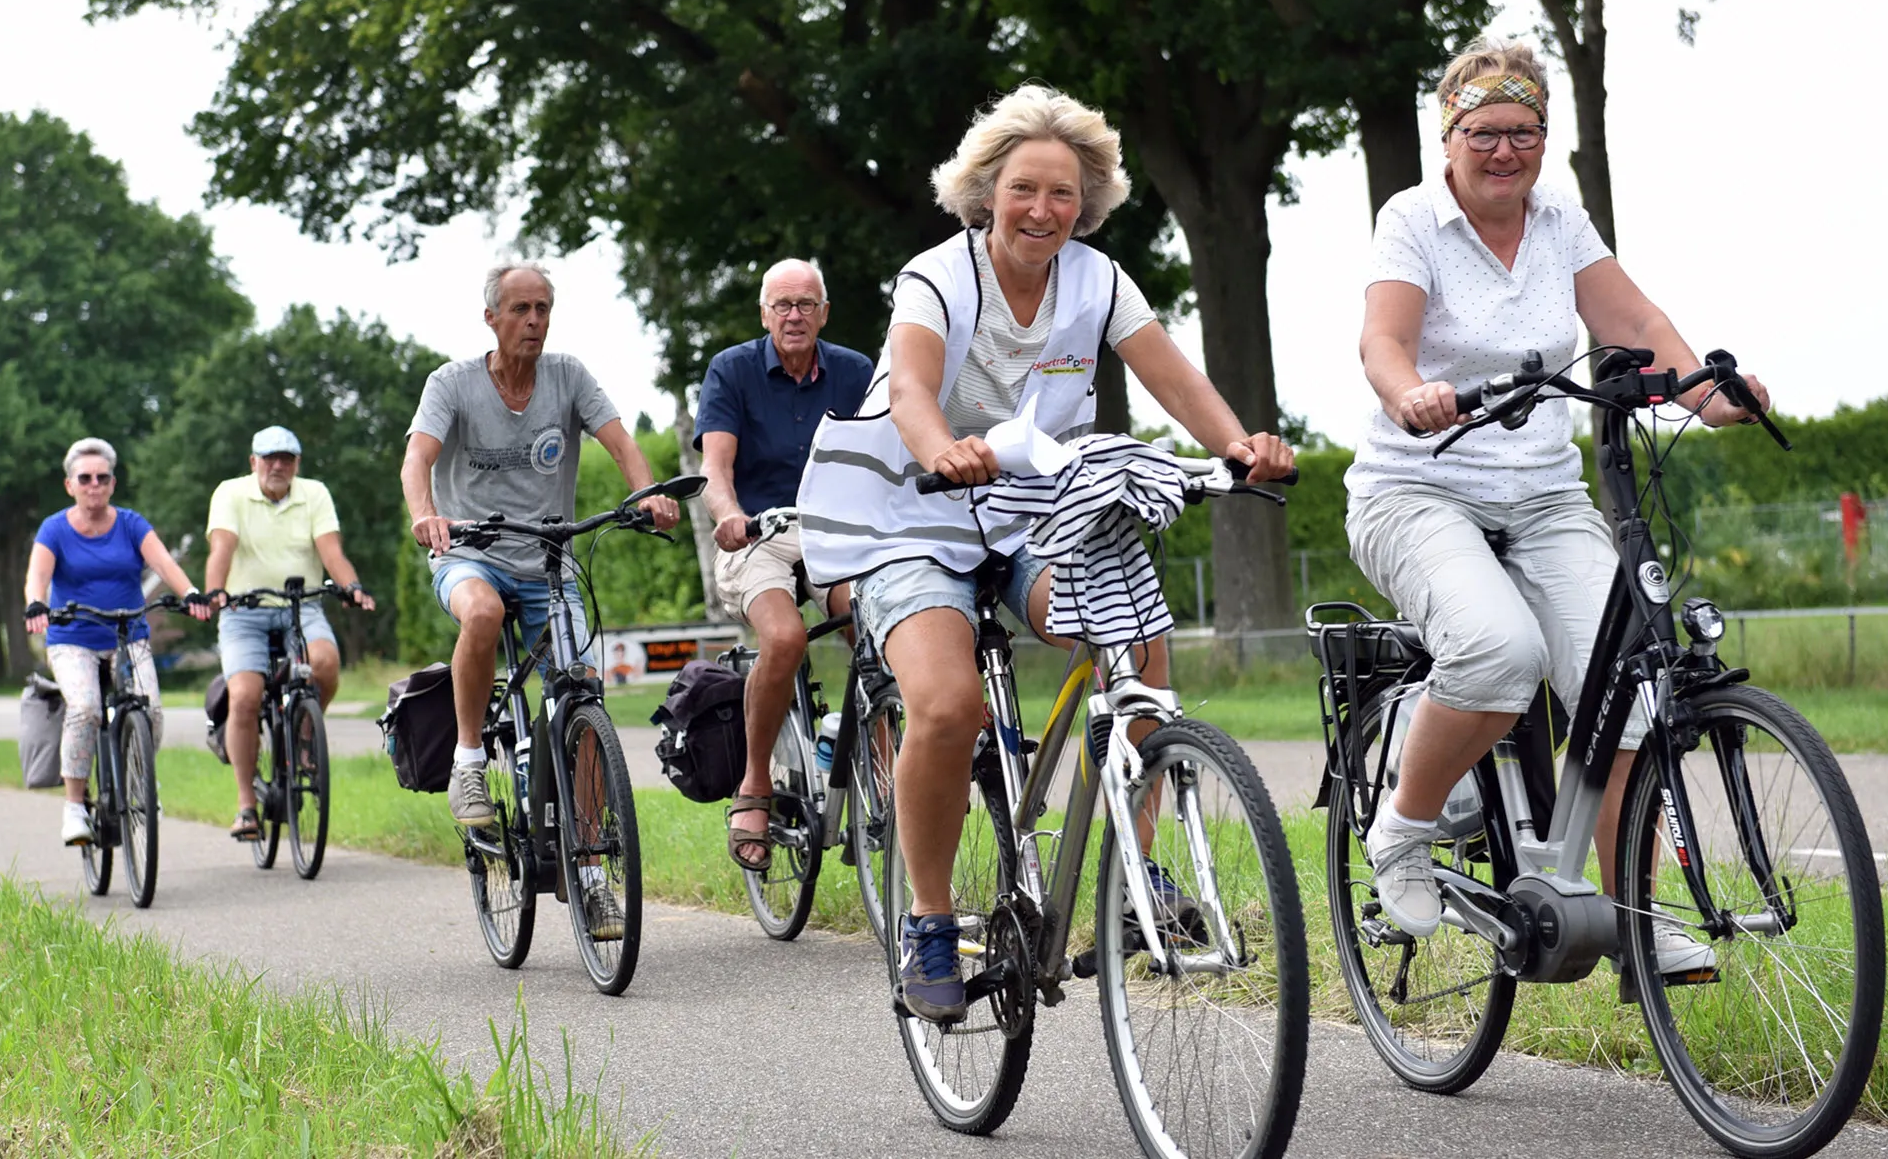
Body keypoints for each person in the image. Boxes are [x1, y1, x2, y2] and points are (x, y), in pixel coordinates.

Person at [798, 85, 1294, 1022]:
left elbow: (1173, 376)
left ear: (1087, 202)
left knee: (1136, 636)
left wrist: (1238, 445)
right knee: (946, 708)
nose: (1043, 210)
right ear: (987, 192)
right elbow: (908, 382)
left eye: (1063, 194)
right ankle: (933, 924)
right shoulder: (936, 277)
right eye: (1025, 189)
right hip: (915, 509)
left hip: (1032, 512)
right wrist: (940, 443)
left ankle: (1138, 871)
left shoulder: (1099, 281)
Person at [1346, 39, 1768, 977]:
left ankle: (1632, 914)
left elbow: (1640, 328)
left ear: (1545, 138)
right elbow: (1383, 338)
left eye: (1525, 131)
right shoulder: (1413, 219)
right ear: (1447, 136)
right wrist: (1408, 390)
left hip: (1542, 497)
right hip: (1418, 488)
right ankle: (1403, 832)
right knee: (1502, 652)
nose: (1506, 150)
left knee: (1632, 688)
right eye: (1485, 132)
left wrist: (1707, 392)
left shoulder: (1560, 222)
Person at [401, 260, 680, 898]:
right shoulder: (453, 383)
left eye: (543, 309)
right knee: (481, 614)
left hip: (550, 558)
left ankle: (587, 870)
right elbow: (418, 456)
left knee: (581, 694)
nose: (533, 321)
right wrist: (426, 514)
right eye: (521, 310)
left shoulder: (568, 376)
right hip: (470, 552)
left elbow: (622, 443)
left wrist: (649, 493)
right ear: (492, 317)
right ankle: (469, 759)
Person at [695, 258, 874, 871]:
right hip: (759, 536)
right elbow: (715, 470)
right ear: (764, 314)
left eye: (805, 304)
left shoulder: (855, 371)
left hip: (835, 533)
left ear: (824, 313)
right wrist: (728, 513)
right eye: (782, 305)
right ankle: (754, 785)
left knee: (874, 627)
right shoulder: (732, 370)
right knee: (785, 636)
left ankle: (881, 767)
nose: (794, 316)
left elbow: (884, 454)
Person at [22, 438, 210, 846]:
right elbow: (37, 574)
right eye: (84, 478)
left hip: (128, 634)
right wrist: (36, 604)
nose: (94, 485)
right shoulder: (55, 528)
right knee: (86, 708)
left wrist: (190, 592)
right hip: (73, 638)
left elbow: (162, 561)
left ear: (112, 483)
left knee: (152, 711)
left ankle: (138, 784)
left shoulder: (129, 523)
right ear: (70, 484)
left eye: (102, 478)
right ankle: (74, 807)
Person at [204, 425, 375, 842]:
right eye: (269, 458)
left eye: (286, 458)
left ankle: (303, 739)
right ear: (253, 462)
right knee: (244, 696)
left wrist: (352, 588)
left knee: (326, 663)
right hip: (244, 610)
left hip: (301, 607)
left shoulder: (314, 493)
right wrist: (215, 592)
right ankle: (247, 805)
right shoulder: (230, 493)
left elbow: (331, 552)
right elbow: (221, 549)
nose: (277, 465)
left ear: (297, 463)